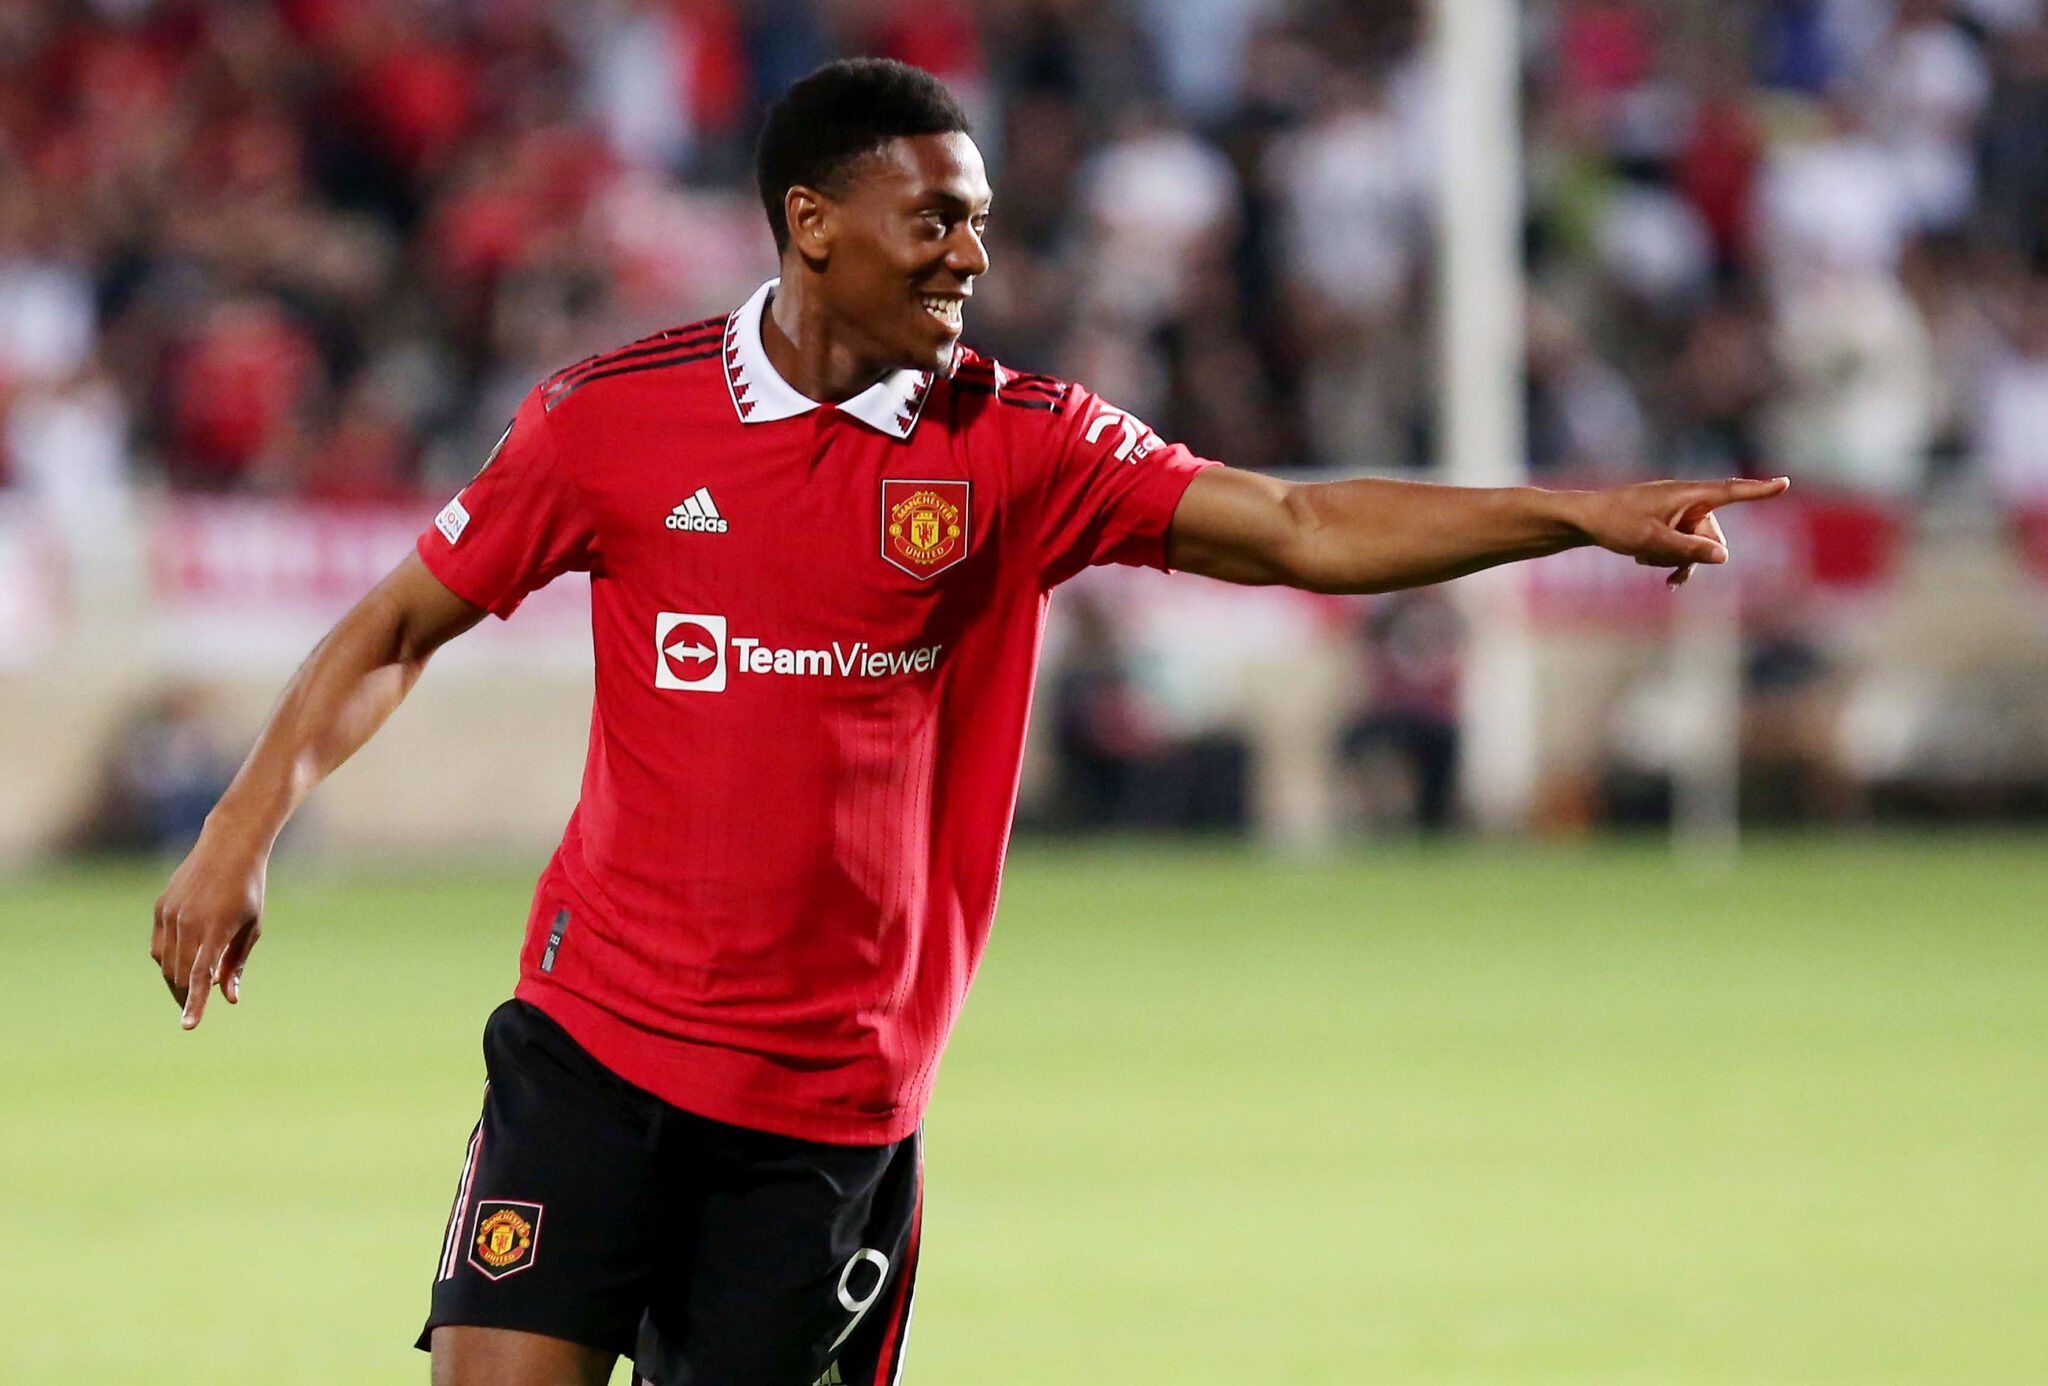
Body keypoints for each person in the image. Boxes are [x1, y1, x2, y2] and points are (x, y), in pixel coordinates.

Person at [150, 58, 1787, 1386]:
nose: (970, 255)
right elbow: (397, 624)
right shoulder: (610, 423)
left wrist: (1566, 513)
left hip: (825, 1108)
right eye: (934, 218)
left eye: (982, 221)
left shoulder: (1022, 442)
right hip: (594, 1044)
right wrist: (240, 828)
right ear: (810, 224)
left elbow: (1295, 524)